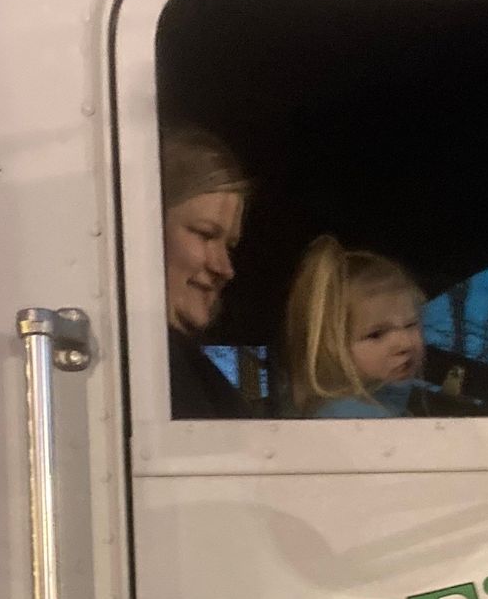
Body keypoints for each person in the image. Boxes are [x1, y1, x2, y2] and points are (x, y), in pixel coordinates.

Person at [161, 127, 253, 418]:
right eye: (204, 234)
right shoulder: (152, 378)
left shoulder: (189, 371)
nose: (225, 269)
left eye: (229, 246)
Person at [284, 235, 427, 418]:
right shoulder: (351, 421)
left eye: (411, 325)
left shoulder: (387, 408)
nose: (405, 343)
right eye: (376, 335)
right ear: (331, 348)